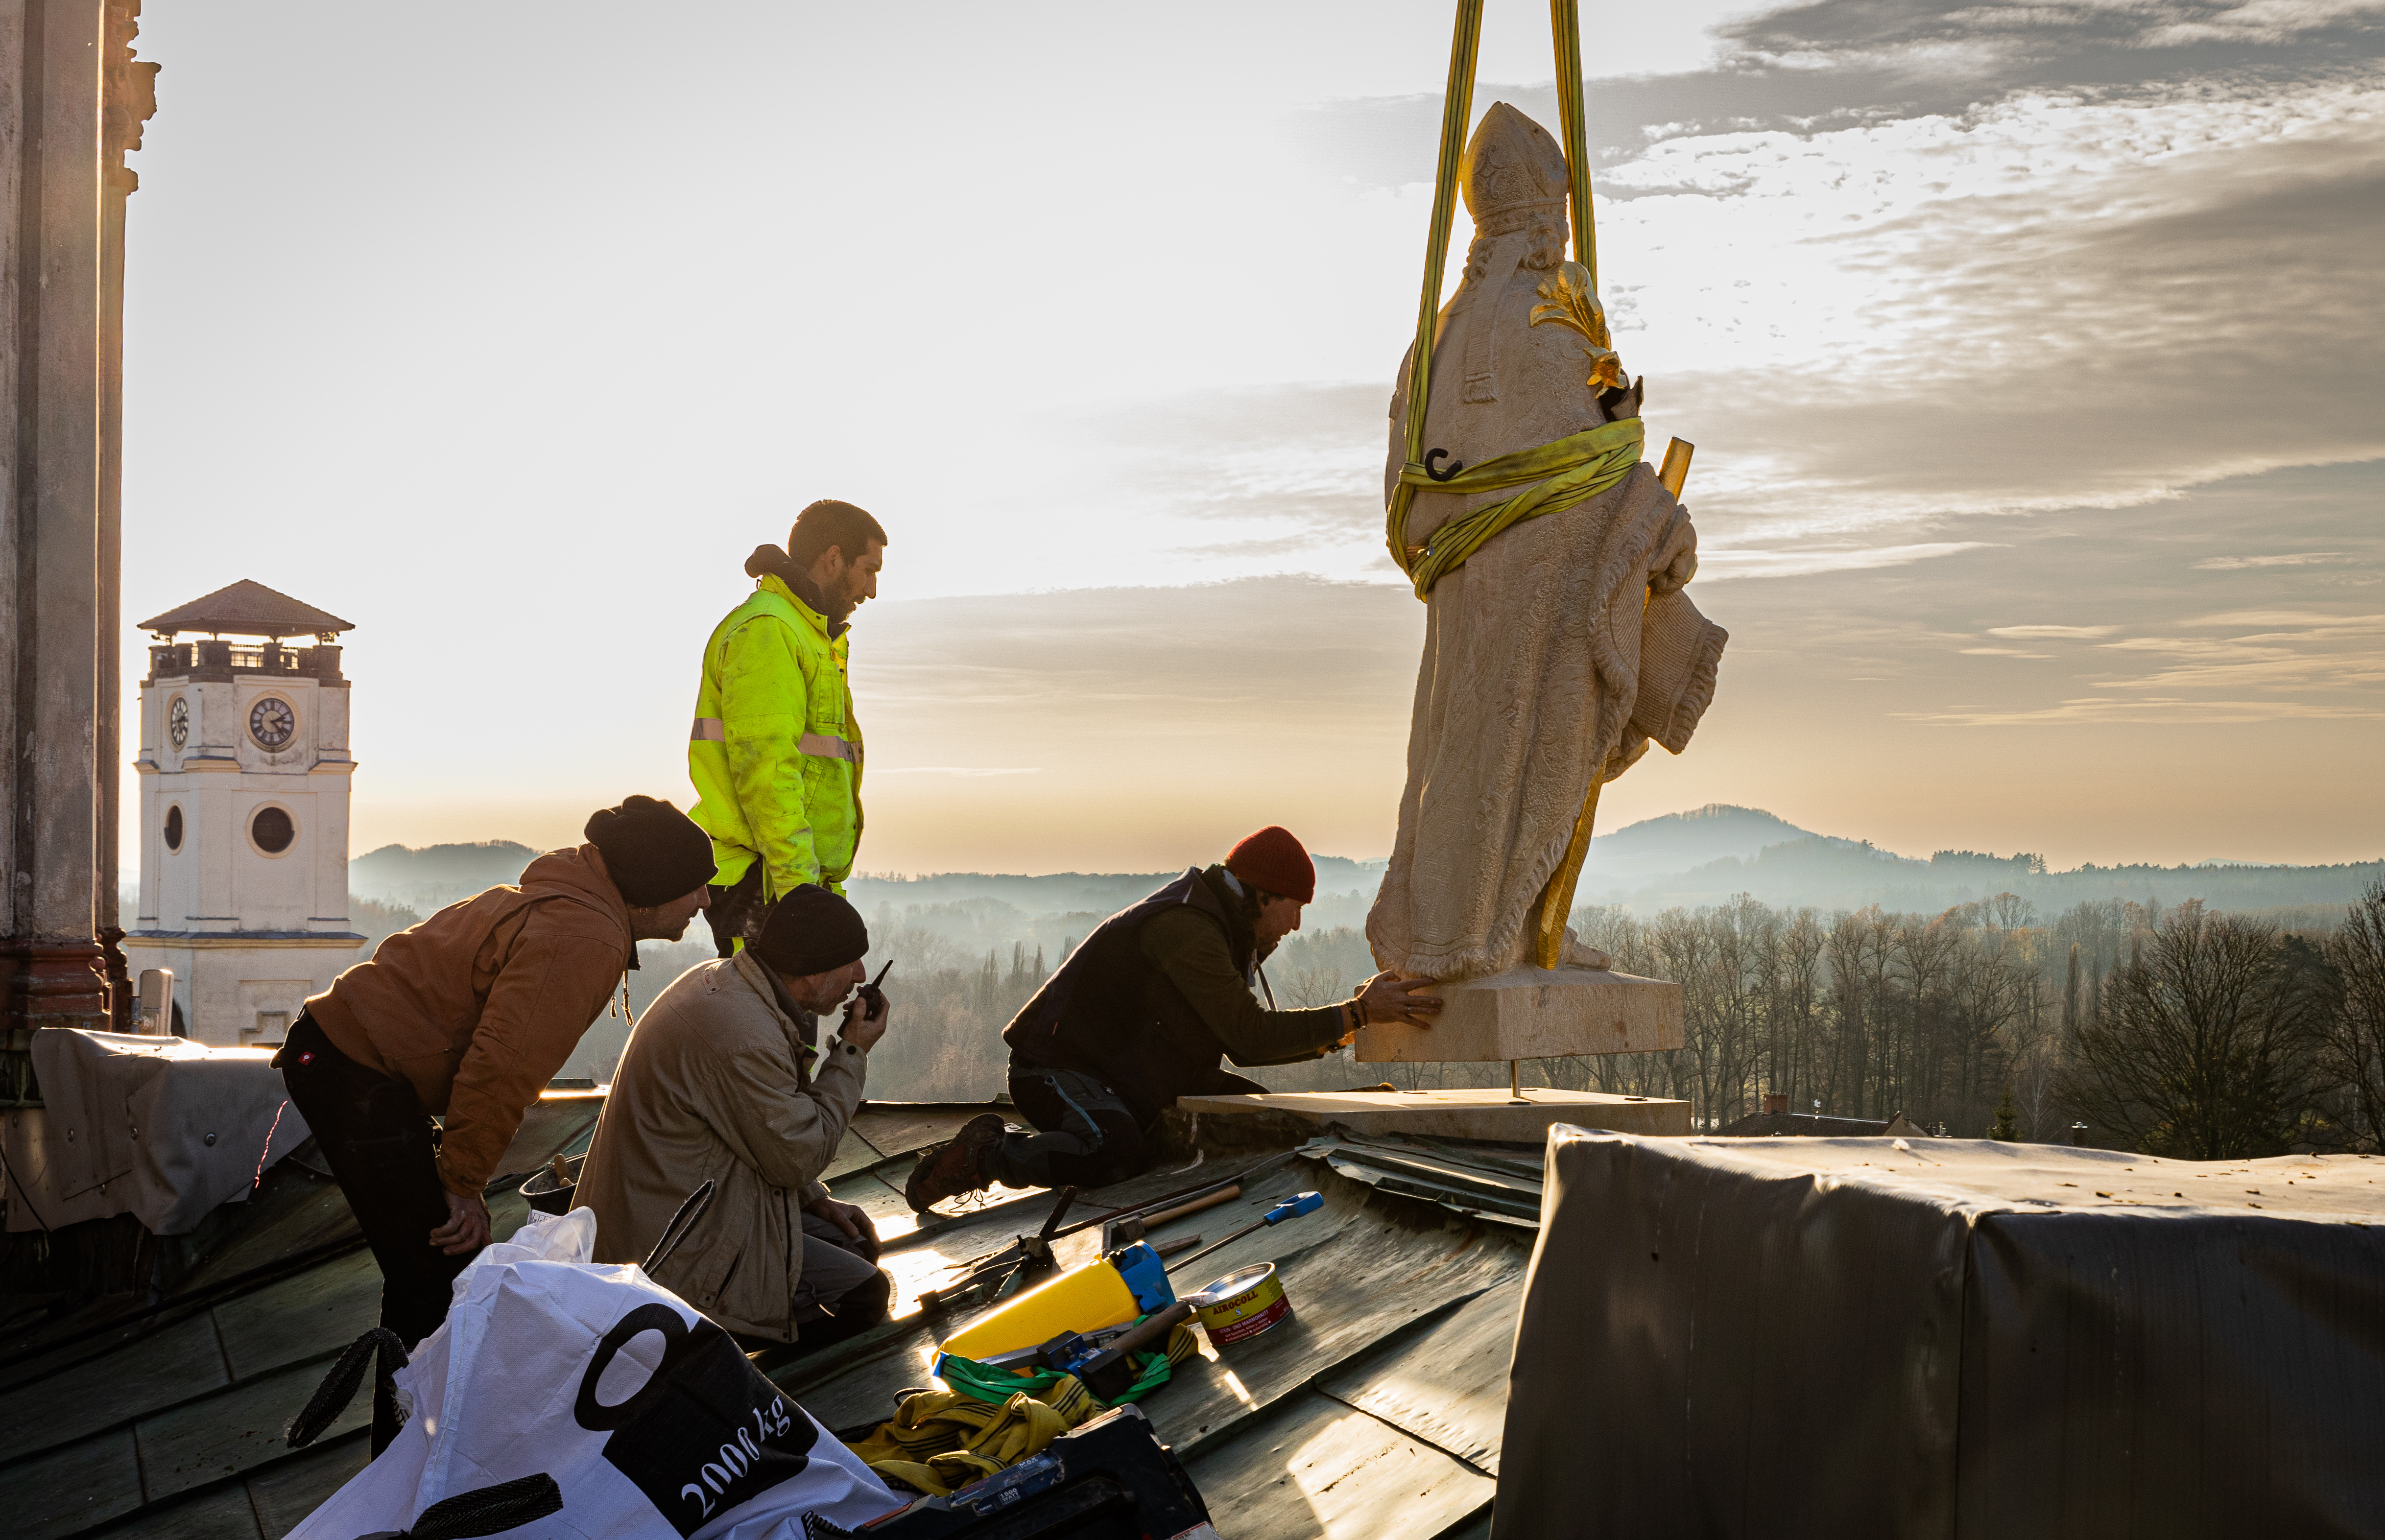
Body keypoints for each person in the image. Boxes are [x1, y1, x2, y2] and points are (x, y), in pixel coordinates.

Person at [275, 796, 715, 1346]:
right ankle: (420, 1428)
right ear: (652, 886)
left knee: (438, 1270)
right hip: (353, 1069)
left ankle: (425, 1419)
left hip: (350, 1059)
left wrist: (458, 1177)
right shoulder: (584, 938)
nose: (705, 897)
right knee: (435, 1273)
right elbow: (503, 1066)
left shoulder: (572, 902)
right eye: (693, 882)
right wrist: (461, 1184)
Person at [905, 827, 1443, 1209]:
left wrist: (1353, 1025)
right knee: (1112, 1151)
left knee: (1260, 1121)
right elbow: (1249, 1037)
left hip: (1127, 1076)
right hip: (1058, 1070)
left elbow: (1240, 1043)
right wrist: (1356, 1013)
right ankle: (988, 1157)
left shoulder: (1221, 924)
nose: (1298, 924)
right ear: (1261, 896)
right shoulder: (1190, 928)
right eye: (1294, 907)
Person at [575, 884, 893, 1353]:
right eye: (851, 961)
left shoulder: (730, 986)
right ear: (814, 968)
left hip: (668, 1209)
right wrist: (852, 1053)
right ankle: (750, 1391)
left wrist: (812, 1200)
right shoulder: (745, 1036)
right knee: (867, 1294)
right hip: (669, 1255)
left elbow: (751, 1122)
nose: (861, 975)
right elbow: (799, 1154)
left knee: (857, 1239)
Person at [690, 498, 887, 956]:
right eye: (869, 569)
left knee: (784, 1026)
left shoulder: (810, 635)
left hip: (787, 883)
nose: (872, 589)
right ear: (833, 557)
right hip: (768, 886)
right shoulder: (769, 630)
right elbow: (768, 774)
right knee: (765, 1025)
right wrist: (801, 897)